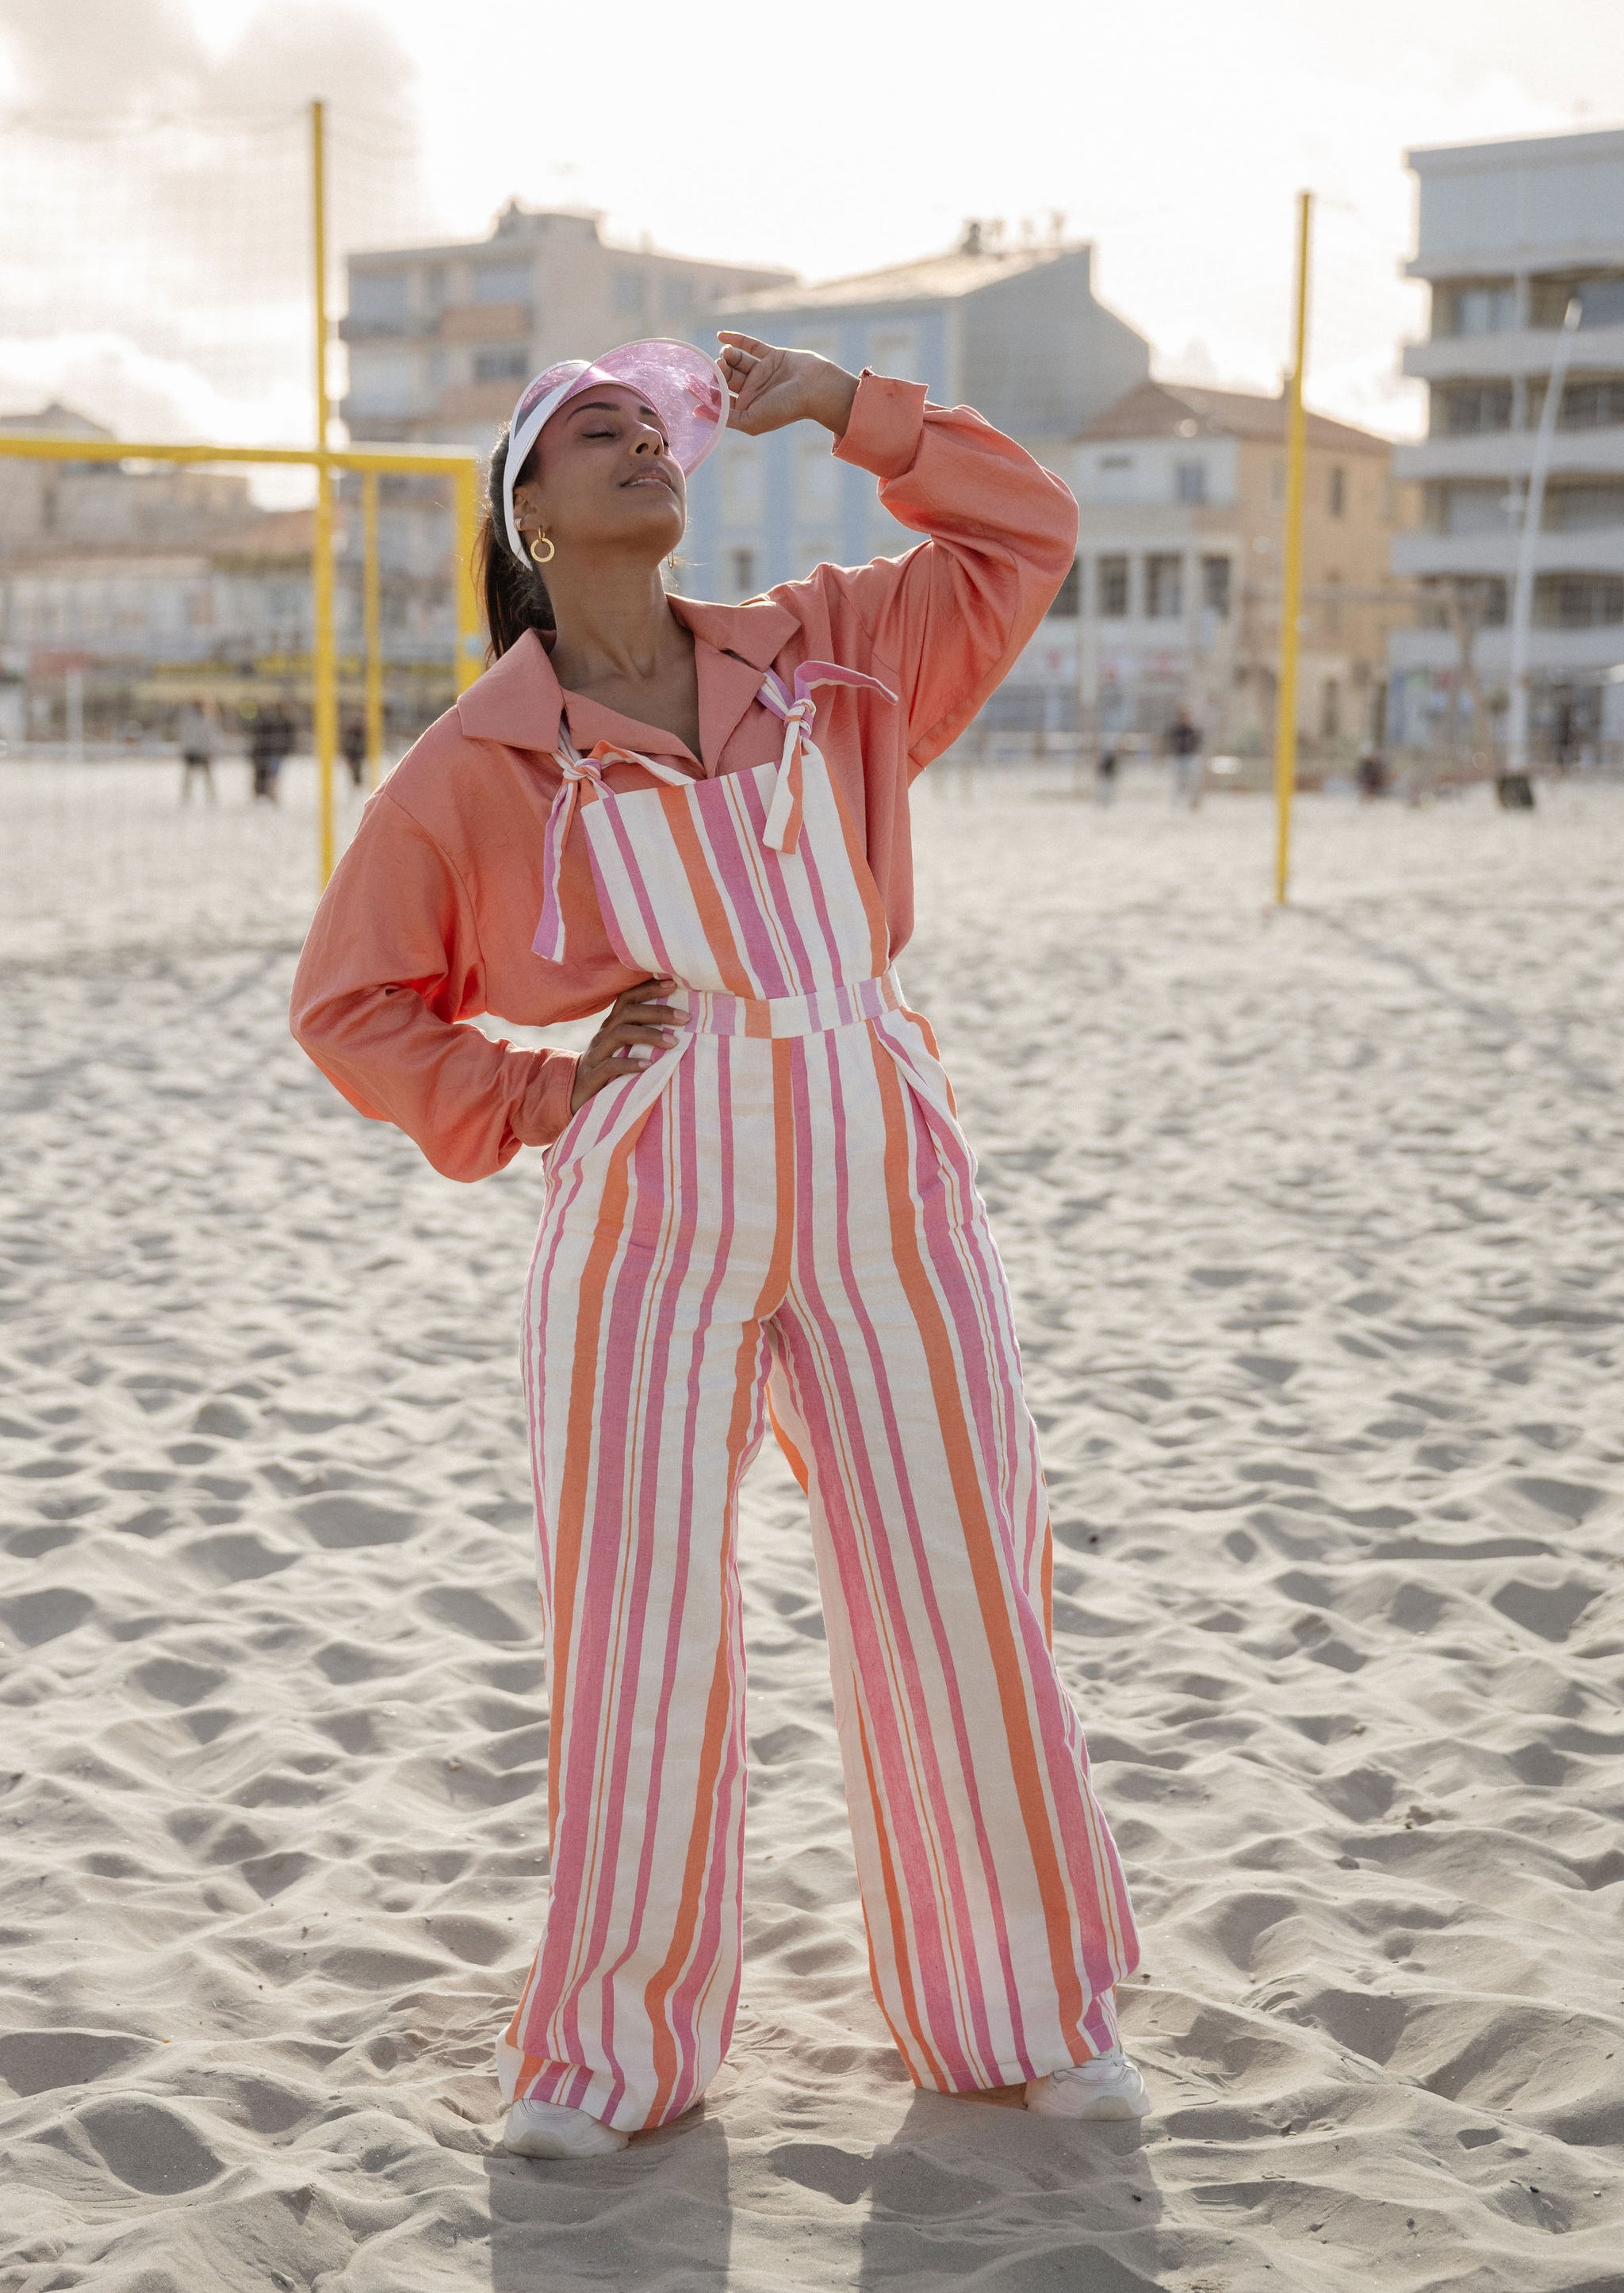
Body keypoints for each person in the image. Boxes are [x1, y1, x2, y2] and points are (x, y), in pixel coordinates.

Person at [290, 334, 1145, 2160]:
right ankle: (608, 2054)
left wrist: (849, 407)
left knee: (958, 1578)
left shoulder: (825, 642)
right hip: (645, 1205)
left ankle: (1018, 2011)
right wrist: (532, 1094)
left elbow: (1024, 529)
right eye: (587, 434)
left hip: (878, 1164)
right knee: (639, 1615)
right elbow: (349, 1004)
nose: (635, 444)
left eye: (646, 423)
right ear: (528, 512)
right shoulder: (476, 761)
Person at [176, 697, 221, 802]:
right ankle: (189, 797)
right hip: (196, 750)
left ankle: (208, 797)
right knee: (195, 777)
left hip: (197, 750)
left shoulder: (191, 717)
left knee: (198, 776)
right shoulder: (203, 718)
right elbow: (210, 735)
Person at [1166, 706, 1203, 807]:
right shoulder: (1175, 729)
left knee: (1193, 781)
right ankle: (1176, 802)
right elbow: (1170, 742)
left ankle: (1194, 802)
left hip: (1190, 757)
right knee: (1178, 781)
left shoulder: (1194, 728)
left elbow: (1198, 742)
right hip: (1178, 758)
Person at [342, 714, 367, 790]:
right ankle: (356, 784)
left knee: (356, 770)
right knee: (355, 770)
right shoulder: (354, 733)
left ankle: (357, 784)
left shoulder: (357, 734)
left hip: (355, 756)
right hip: (354, 756)